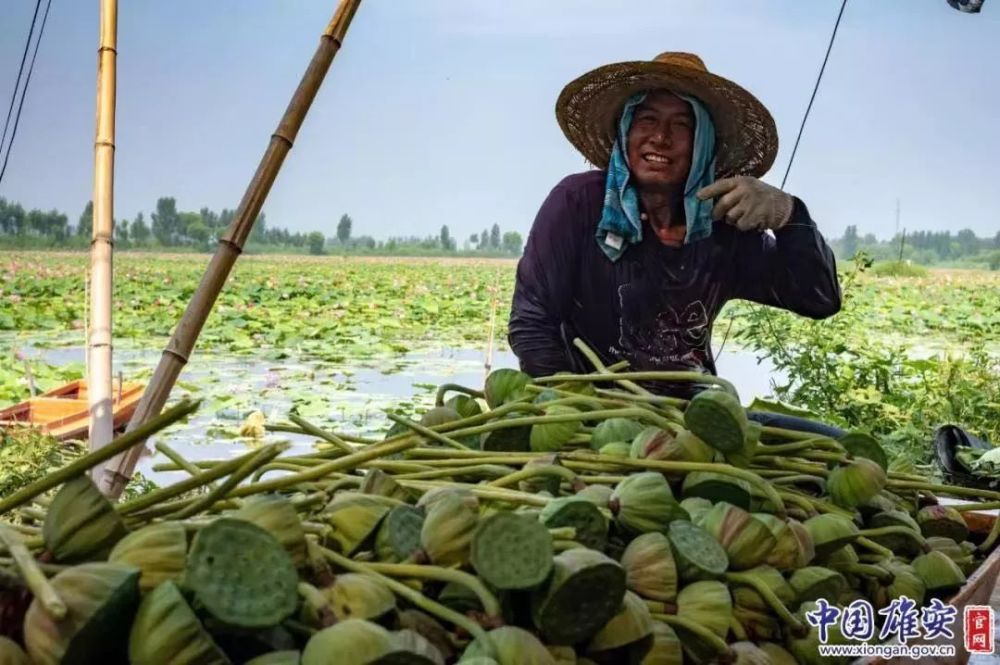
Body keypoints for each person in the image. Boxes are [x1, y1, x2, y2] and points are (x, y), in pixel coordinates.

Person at [508, 52, 844, 436]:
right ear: (625, 133)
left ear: (704, 144)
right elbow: (531, 325)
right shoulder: (579, 203)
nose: (660, 137)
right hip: (597, 417)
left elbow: (819, 299)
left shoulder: (723, 224)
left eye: (682, 125)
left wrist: (789, 215)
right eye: (647, 119)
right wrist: (583, 418)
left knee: (839, 445)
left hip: (694, 422)